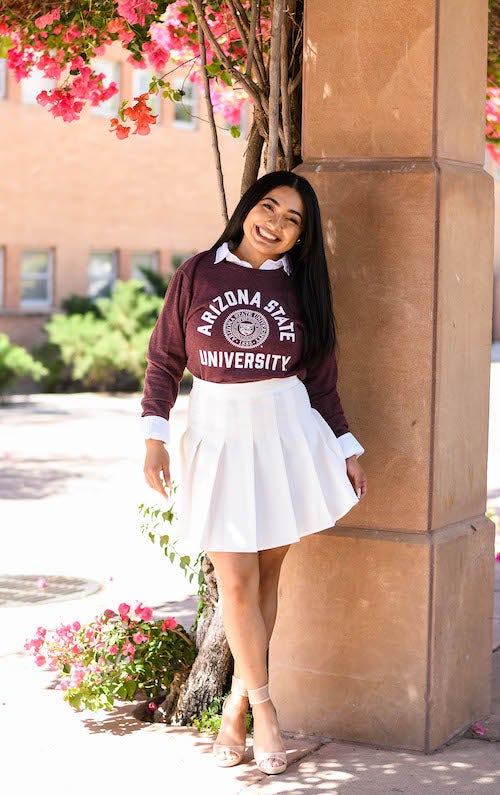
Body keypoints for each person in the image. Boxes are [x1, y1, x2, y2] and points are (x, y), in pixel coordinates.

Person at [141, 170, 368, 776]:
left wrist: (345, 445)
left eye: (292, 220)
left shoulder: (303, 289)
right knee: (235, 582)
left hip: (284, 434)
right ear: (248, 209)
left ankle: (236, 708)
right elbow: (164, 359)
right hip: (216, 434)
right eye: (269, 208)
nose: (276, 223)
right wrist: (154, 441)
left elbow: (321, 380)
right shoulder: (197, 273)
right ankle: (265, 710)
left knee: (267, 578)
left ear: (301, 236)